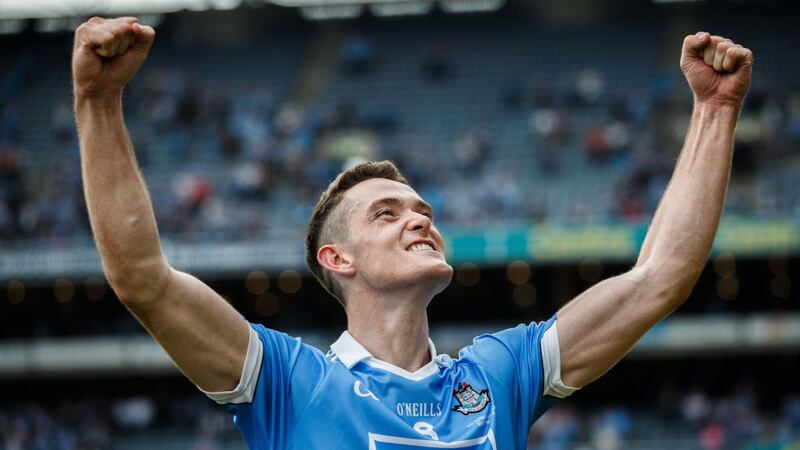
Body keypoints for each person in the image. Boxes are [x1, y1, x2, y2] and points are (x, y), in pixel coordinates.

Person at [72, 17, 753, 450]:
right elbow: (143, 278)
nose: (420, 218)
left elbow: (658, 278)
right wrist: (99, 103)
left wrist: (716, 110)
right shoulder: (285, 382)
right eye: (387, 213)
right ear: (336, 258)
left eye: (421, 207)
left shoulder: (500, 374)